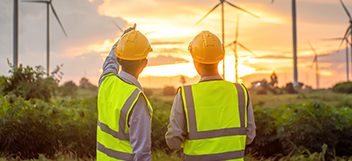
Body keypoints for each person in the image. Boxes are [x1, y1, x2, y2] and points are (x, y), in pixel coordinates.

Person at [165, 30, 256, 160]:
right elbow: (249, 137)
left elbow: (173, 141)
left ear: (195, 62)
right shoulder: (241, 92)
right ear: (220, 58)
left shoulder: (185, 95)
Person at [97, 24, 153, 161]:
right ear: (145, 63)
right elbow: (142, 154)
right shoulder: (136, 99)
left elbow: (109, 63)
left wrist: (122, 40)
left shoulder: (105, 83)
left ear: (119, 59)